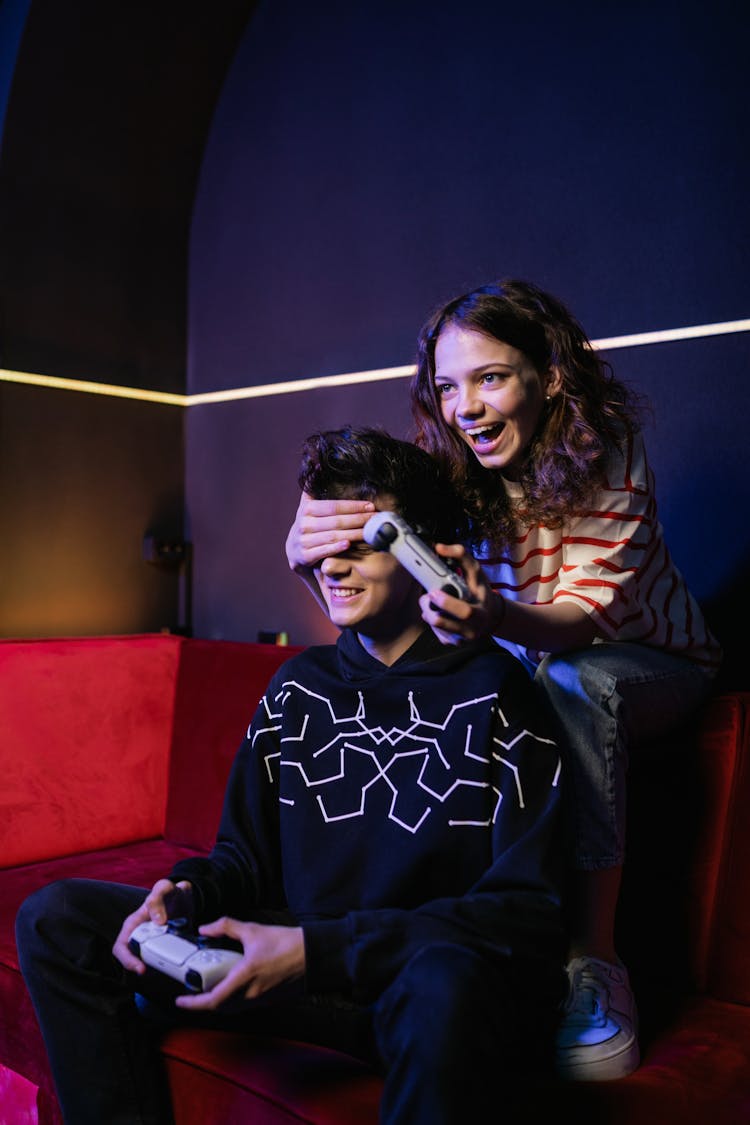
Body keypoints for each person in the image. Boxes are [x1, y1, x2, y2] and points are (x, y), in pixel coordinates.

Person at [17, 426, 566, 1125]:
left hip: (408, 979)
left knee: (445, 987)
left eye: (361, 541)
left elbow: (525, 914)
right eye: (318, 545)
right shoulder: (296, 685)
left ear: (425, 551)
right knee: (59, 916)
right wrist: (183, 896)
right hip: (288, 965)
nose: (333, 566)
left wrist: (316, 951)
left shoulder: (499, 690)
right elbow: (243, 857)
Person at [285, 282, 723, 1083]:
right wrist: (304, 549)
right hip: (527, 660)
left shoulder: (608, 447)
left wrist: (494, 621)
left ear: (549, 376)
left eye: (490, 378)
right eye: (448, 386)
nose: (465, 407)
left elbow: (579, 621)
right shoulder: (455, 474)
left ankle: (594, 963)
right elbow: (375, 580)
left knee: (573, 681)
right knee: (456, 682)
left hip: (650, 664)